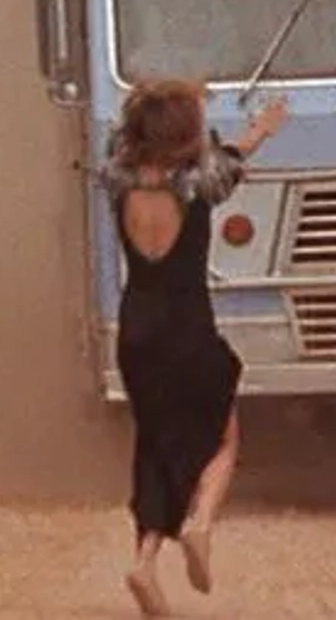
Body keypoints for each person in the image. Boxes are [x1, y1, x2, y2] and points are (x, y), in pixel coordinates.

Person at [96, 78, 290, 616]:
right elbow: (229, 157)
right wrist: (260, 130)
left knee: (156, 445)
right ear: (185, 135)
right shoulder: (198, 186)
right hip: (187, 326)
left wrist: (169, 99)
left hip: (137, 331)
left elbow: (124, 139)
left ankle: (144, 561)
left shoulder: (118, 180)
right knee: (221, 438)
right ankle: (200, 525)